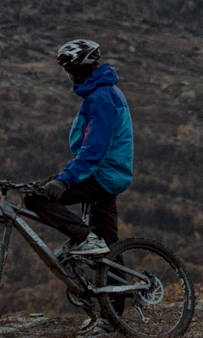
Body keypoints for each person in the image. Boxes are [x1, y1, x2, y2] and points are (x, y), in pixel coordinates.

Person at [28, 38, 132, 279]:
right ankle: (114, 313)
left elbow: (95, 149)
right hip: (110, 174)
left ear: (79, 71)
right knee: (107, 243)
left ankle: (84, 238)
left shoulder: (101, 97)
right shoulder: (105, 92)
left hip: (102, 175)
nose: (67, 76)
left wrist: (64, 180)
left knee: (35, 197)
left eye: (69, 71)